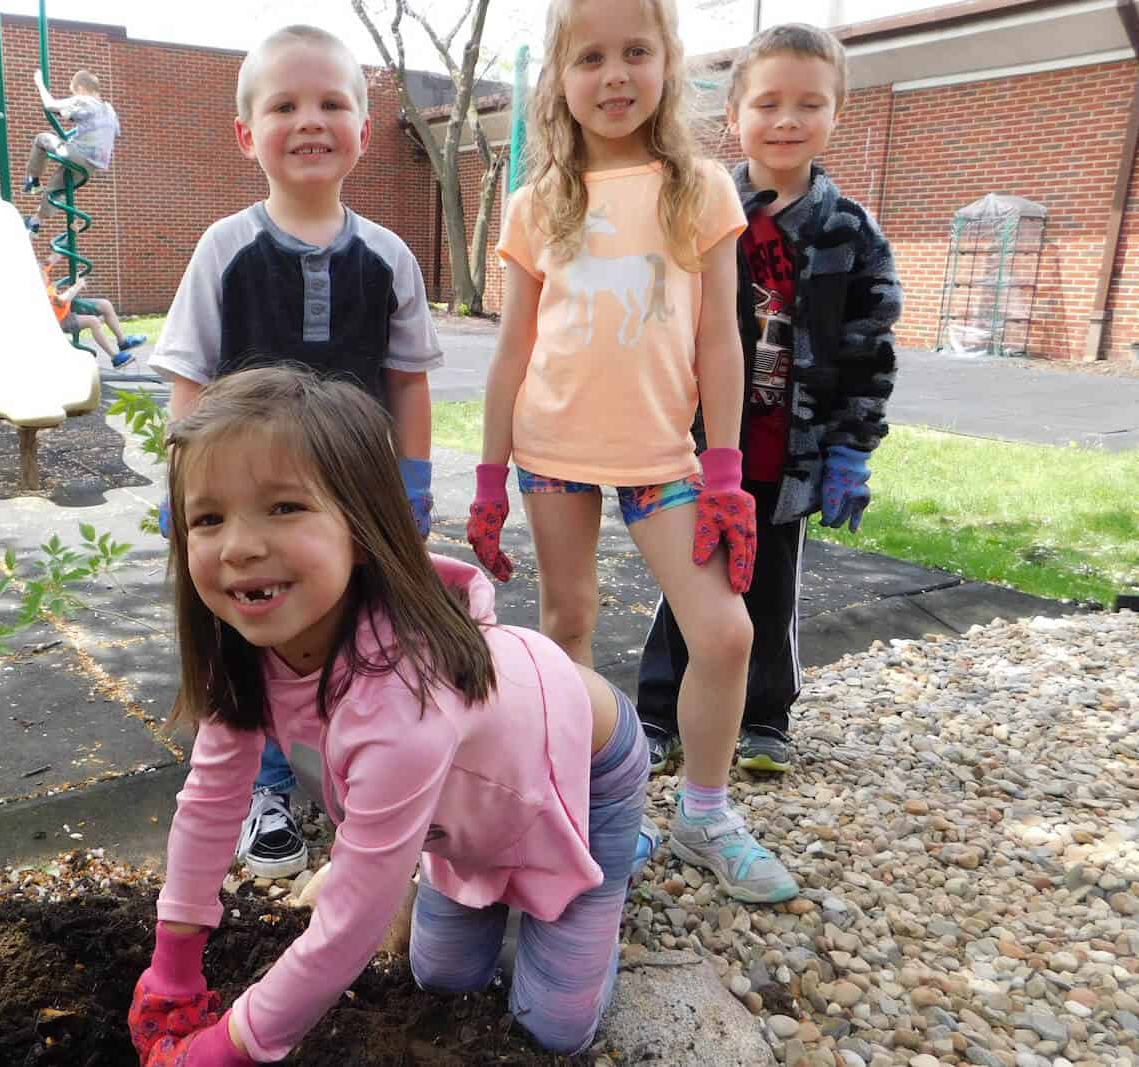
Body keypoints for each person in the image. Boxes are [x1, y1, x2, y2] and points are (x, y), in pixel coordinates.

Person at [127, 367, 650, 1065]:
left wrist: (228, 1046)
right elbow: (211, 799)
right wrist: (173, 964)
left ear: (363, 525)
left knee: (551, 1027)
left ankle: (597, 894)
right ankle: (487, 874)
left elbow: (348, 924)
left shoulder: (403, 694)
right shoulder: (249, 651)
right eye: (208, 517)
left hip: (585, 766)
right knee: (442, 978)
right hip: (474, 799)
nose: (240, 545)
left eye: (283, 507)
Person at [465, 0, 797, 904]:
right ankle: (570, 807)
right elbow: (512, 350)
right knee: (564, 627)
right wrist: (490, 481)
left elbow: (722, 342)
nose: (614, 75)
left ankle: (703, 813)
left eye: (636, 53)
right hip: (553, 449)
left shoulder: (701, 189)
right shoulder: (540, 202)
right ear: (558, 81)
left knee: (726, 633)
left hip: (662, 458)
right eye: (591, 57)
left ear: (668, 65)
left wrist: (724, 472)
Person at [147, 25, 441, 882]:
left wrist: (414, 484)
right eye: (284, 105)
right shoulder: (224, 250)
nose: (309, 120)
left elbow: (410, 382)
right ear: (248, 136)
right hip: (248, 496)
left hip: (353, 495)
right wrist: (186, 487)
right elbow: (190, 379)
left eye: (331, 103)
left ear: (361, 127)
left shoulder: (388, 257)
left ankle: (365, 789)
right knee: (255, 628)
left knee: (365, 632)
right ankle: (265, 788)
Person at [636, 24, 900, 774]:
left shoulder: (850, 230)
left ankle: (764, 719)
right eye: (769, 103)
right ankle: (660, 711)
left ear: (836, 115)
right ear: (735, 116)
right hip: (698, 441)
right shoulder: (696, 207)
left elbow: (870, 345)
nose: (787, 121)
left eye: (809, 105)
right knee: (689, 581)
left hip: (790, 449)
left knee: (772, 588)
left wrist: (853, 446)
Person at [22, 70, 120, 233]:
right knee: (56, 189)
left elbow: (50, 104)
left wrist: (39, 82)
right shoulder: (110, 111)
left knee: (41, 139)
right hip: (93, 165)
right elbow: (112, 132)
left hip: (78, 154)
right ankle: (34, 222)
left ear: (81, 88)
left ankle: (33, 180)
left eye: (74, 92)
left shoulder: (84, 100)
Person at [43, 253, 139, 369]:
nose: (43, 272)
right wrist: (78, 285)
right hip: (60, 320)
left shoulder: (41, 271)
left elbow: (53, 258)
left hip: (65, 310)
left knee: (105, 305)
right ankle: (115, 358)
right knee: (93, 321)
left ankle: (123, 342)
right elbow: (62, 301)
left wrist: (68, 238)